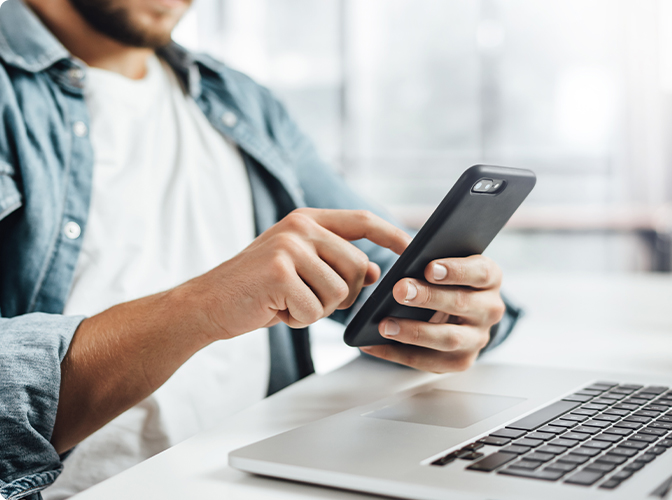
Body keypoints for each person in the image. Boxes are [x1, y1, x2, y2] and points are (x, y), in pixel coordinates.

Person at [0, 0, 521, 498]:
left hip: (257, 475)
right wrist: (202, 306)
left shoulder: (236, 99)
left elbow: (391, 277)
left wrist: (459, 312)